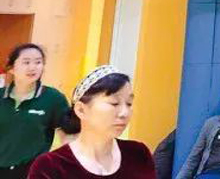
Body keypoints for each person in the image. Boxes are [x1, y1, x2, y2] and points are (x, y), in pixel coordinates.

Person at [27, 65, 156, 178]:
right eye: (114, 103)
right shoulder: (50, 166)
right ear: (81, 110)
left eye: (129, 104)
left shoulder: (138, 153)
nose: (124, 113)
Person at [0, 44, 70, 179]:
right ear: (12, 68)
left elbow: (69, 134)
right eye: (26, 62)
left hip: (33, 171)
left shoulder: (54, 98)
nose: (33, 67)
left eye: (38, 62)